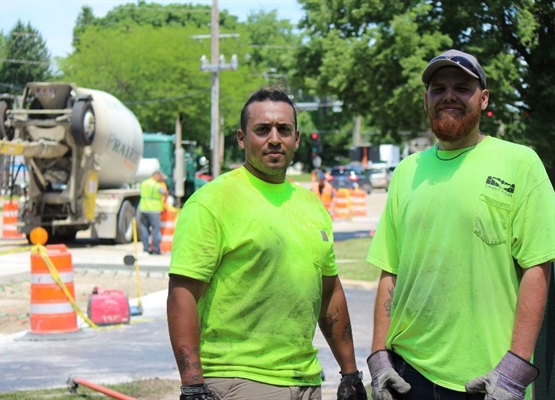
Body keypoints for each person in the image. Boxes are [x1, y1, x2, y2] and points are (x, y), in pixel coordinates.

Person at [365, 49, 554, 400]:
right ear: (426, 100)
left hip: (490, 379)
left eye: (462, 87)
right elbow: (389, 270)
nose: (448, 96)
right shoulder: (407, 171)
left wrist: (514, 370)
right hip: (407, 375)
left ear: (483, 99)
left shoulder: (520, 163)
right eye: (438, 88)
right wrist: (379, 356)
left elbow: (538, 267)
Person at [167, 85, 367, 400]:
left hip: (306, 379)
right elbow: (182, 294)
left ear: (296, 138)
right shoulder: (211, 202)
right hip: (239, 380)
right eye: (262, 129)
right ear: (242, 138)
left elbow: (329, 292)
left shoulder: (311, 205)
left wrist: (350, 373)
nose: (274, 138)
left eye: (284, 129)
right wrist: (192, 384)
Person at [138, 170, 168, 254]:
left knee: (144, 229)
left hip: (143, 208)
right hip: (154, 210)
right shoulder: (157, 185)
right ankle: (156, 250)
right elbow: (165, 193)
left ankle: (146, 249)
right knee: (155, 230)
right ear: (157, 176)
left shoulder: (143, 183)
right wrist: (165, 199)